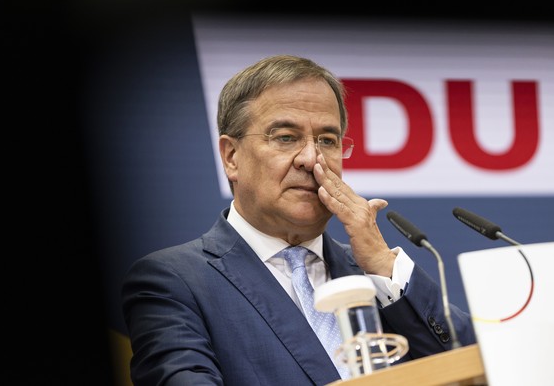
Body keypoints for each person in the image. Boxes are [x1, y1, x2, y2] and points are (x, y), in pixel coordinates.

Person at [121, 54, 476, 386]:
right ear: (231, 157)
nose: (310, 158)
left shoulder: (376, 277)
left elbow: (478, 367)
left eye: (327, 139)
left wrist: (382, 264)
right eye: (286, 137)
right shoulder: (174, 282)